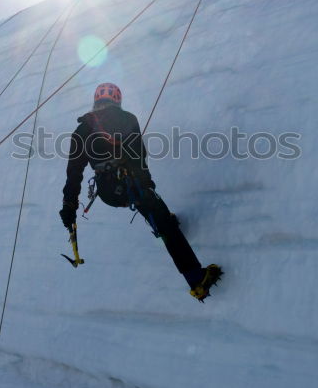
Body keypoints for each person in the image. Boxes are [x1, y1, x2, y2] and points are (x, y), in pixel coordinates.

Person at [59, 82, 222, 301]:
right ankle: (196, 280)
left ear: (95, 101)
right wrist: (147, 185)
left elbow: (74, 173)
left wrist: (69, 206)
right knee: (159, 216)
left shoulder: (80, 132)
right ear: (117, 100)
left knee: (156, 212)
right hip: (131, 184)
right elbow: (139, 158)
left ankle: (163, 221)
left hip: (108, 193)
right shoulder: (127, 119)